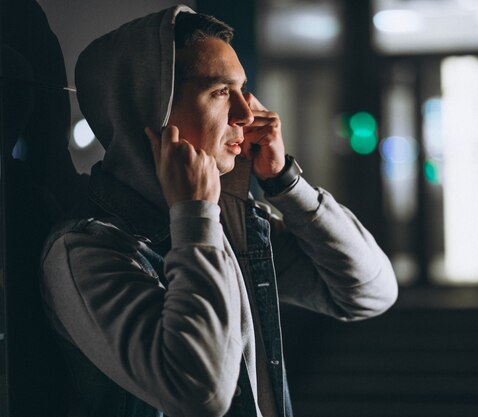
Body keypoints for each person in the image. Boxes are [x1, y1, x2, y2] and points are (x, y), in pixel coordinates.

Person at [40, 5, 397, 417]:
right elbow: (200, 393)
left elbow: (369, 293)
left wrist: (285, 183)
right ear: (150, 107)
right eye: (221, 92)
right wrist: (194, 215)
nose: (248, 115)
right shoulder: (86, 251)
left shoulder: (227, 224)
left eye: (243, 90)